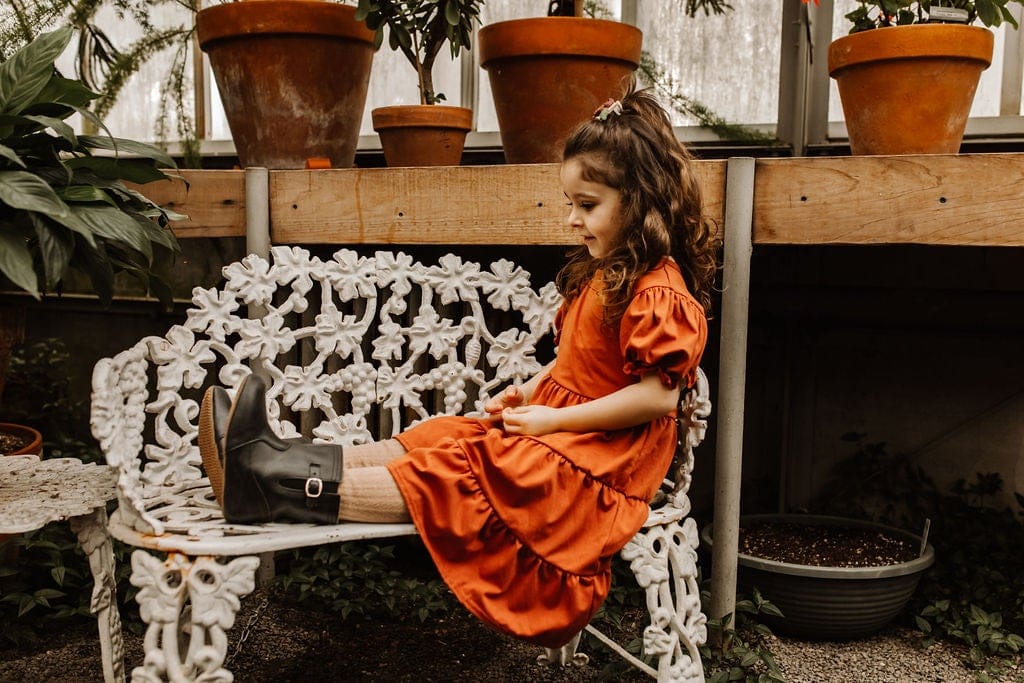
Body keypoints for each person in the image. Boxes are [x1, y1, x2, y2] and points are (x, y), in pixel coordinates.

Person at [198, 81, 718, 649]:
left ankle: (277, 488)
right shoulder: (607, 275)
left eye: (587, 205)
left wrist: (552, 421)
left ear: (641, 201)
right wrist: (530, 392)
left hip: (602, 462)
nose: (572, 219)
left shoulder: (658, 290)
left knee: (461, 470)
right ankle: (272, 456)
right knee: (443, 434)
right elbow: (575, 366)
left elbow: (657, 396)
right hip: (570, 435)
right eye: (570, 203)